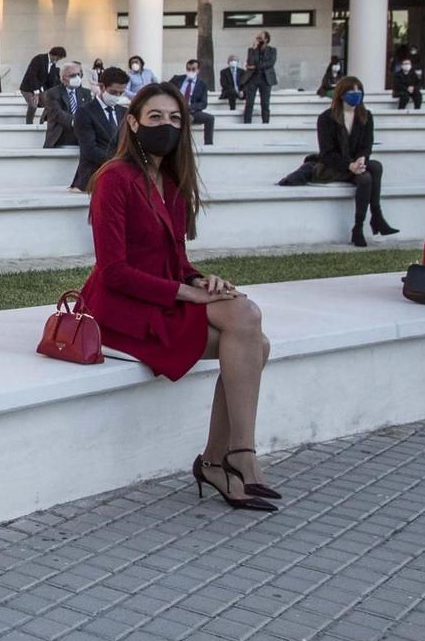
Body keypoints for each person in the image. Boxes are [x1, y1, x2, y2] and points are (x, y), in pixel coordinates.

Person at [80, 82, 277, 510]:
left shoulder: (169, 182)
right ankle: (234, 456)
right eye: (155, 118)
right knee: (248, 334)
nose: (165, 126)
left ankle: (222, 459)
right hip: (119, 310)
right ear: (132, 123)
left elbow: (177, 259)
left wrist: (203, 280)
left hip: (162, 297)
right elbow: (114, 272)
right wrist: (185, 292)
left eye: (174, 119)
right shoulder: (113, 179)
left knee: (251, 333)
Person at [312, 77, 399, 247]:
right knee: (365, 178)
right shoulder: (326, 118)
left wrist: (361, 159)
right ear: (341, 94)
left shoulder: (365, 116)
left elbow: (367, 145)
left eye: (359, 92)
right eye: (352, 92)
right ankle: (359, 227)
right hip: (333, 166)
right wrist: (349, 165)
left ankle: (376, 215)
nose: (356, 96)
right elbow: (327, 153)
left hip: (355, 164)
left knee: (375, 166)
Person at [72, 67, 129, 191]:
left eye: (121, 93)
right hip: (93, 175)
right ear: (102, 87)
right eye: (113, 92)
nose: (117, 96)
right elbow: (89, 150)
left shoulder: (124, 112)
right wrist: (120, 163)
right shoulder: (84, 112)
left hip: (122, 176)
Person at [42, 60, 89, 151]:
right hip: (59, 140)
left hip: (82, 141)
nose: (77, 78)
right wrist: (79, 122)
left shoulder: (86, 93)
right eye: (72, 76)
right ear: (63, 78)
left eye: (78, 74)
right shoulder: (52, 93)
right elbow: (58, 114)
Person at [169, 59, 215, 146]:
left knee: (210, 118)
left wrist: (190, 107)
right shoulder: (177, 79)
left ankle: (208, 144)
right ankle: (179, 145)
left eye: (193, 69)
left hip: (192, 111)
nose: (190, 71)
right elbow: (166, 89)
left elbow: (203, 103)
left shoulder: (202, 85)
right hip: (176, 109)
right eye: (188, 69)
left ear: (198, 70)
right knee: (185, 119)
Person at [19, 45, 66, 126]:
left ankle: (42, 122)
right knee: (33, 106)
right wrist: (36, 93)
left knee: (50, 104)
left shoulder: (53, 65)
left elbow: (50, 82)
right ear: (53, 55)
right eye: (58, 58)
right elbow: (32, 76)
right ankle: (29, 124)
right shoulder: (39, 59)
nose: (58, 60)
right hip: (28, 88)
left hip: (40, 89)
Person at [241, 33, 276, 124]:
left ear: (266, 39)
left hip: (266, 79)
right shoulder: (252, 50)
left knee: (265, 103)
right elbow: (250, 62)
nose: (258, 40)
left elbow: (270, 63)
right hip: (253, 78)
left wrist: (255, 67)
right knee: (249, 103)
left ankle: (265, 123)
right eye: (257, 38)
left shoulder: (272, 50)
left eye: (260, 38)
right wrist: (253, 49)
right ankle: (247, 123)